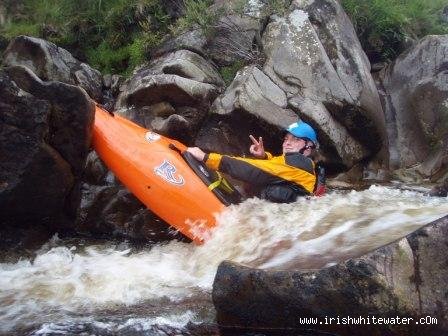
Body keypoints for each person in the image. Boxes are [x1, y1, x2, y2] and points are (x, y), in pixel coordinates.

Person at [187, 121, 323, 203]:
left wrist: (206, 157)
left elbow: (251, 170)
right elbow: (278, 168)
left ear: (308, 147)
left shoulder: (299, 164)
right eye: (287, 138)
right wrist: (264, 156)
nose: (288, 143)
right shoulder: (301, 165)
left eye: (296, 139)